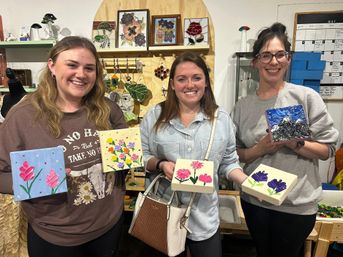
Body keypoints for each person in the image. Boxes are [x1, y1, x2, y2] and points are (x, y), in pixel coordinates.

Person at [0, 36, 127, 257]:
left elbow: (124, 162)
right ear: (52, 65)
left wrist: (132, 157)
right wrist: (41, 179)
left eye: (89, 68)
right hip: (56, 236)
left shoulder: (108, 109)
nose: (81, 74)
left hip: (108, 225)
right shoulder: (22, 117)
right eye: (72, 65)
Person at [232, 22, 339, 257]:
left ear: (288, 59)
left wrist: (295, 143)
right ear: (256, 61)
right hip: (256, 200)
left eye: (280, 54)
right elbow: (235, 152)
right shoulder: (243, 106)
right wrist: (259, 149)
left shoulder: (306, 97)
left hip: (297, 204)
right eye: (267, 55)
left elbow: (327, 150)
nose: (274, 61)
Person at [140, 52, 248, 257]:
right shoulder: (155, 116)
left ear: (206, 81)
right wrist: (161, 164)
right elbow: (142, 157)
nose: (190, 85)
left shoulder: (221, 119)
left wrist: (249, 182)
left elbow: (229, 162)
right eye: (182, 79)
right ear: (172, 84)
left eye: (196, 78)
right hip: (163, 213)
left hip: (204, 218)